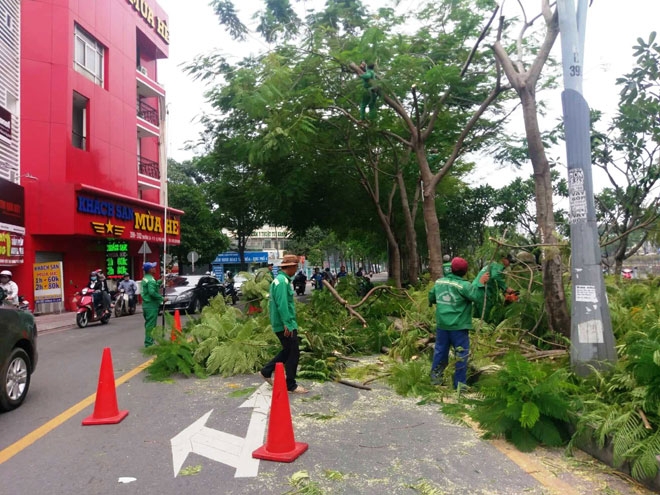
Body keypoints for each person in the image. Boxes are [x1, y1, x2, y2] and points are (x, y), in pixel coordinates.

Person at [429, 257, 489, 388]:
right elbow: (477, 298)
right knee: (461, 355)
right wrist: (481, 284)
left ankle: (436, 380)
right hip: (459, 327)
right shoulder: (464, 286)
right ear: (465, 271)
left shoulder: (439, 282)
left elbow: (431, 297)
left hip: (442, 325)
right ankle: (459, 385)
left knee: (440, 351)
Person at [260, 254, 308, 394]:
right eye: (296, 267)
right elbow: (282, 304)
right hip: (285, 324)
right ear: (291, 267)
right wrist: (287, 323)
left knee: (288, 351)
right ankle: (291, 384)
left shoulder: (281, 280)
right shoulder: (282, 282)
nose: (296, 269)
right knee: (294, 353)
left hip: (283, 322)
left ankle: (267, 371)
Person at [472, 254, 515, 321]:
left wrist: (504, 292)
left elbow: (494, 282)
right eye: (509, 261)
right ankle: (483, 329)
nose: (509, 264)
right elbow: (495, 277)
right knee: (484, 314)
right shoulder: (498, 265)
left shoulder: (492, 265)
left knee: (475, 315)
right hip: (482, 290)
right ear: (504, 259)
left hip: (475, 289)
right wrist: (506, 288)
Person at [141, 262, 164, 347]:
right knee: (151, 325)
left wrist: (159, 281)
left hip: (146, 305)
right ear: (150, 270)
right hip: (151, 305)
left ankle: (149, 341)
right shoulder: (151, 280)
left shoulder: (146, 278)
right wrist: (162, 298)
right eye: (153, 267)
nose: (155, 268)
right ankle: (149, 343)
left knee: (148, 324)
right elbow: (152, 292)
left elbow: (152, 286)